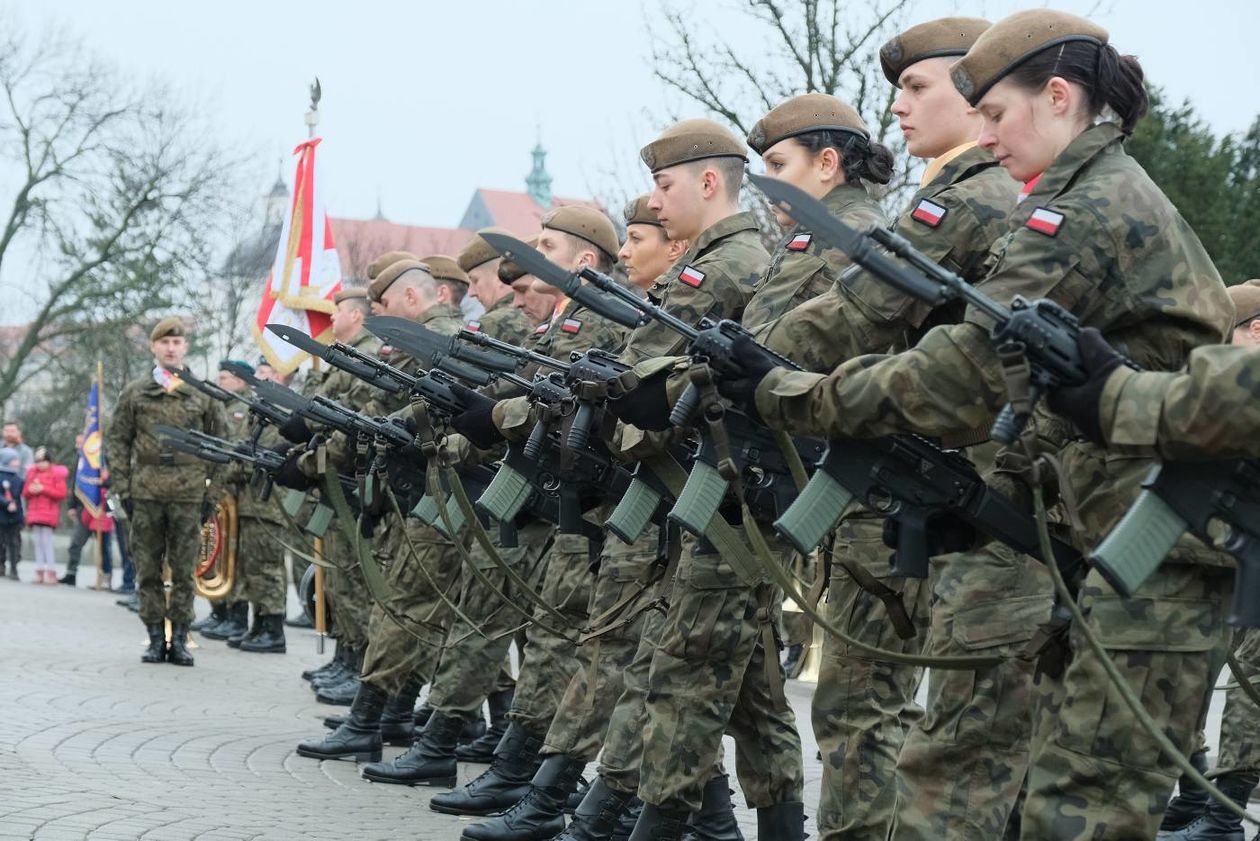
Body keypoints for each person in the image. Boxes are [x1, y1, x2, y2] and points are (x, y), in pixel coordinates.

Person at [737, 10, 1235, 839]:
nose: (989, 133)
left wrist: (790, 394)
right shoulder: (1079, 196)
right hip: (1118, 533)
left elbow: (961, 376)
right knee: (1045, 785)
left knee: (1076, 802)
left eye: (997, 112)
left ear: (1059, 97)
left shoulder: (1085, 212)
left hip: (1158, 545)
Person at [107, 316, 225, 666]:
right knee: (146, 567)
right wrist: (123, 486)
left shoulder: (203, 393)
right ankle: (156, 636)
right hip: (145, 492)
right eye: (165, 343)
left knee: (185, 569)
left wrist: (212, 494)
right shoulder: (136, 392)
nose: (171, 348)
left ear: (185, 347)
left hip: (189, 493)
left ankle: (181, 639)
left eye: (177, 343)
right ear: (154, 348)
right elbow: (117, 440)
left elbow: (221, 446)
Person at [23, 447, 68, 585]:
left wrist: (44, 489)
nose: (40, 464)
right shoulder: (32, 474)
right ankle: (39, 569)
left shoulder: (56, 474)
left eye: (43, 461)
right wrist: (31, 490)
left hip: (48, 512)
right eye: (38, 461)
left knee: (47, 542)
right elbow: (25, 493)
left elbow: (61, 493)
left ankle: (51, 570)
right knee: (37, 542)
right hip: (35, 511)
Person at [0, 447, 24, 580]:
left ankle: (14, 568)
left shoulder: (18, 478)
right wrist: (6, 503)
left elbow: (20, 495)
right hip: (2, 514)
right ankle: (1, 565)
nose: (17, 463)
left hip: (14, 516)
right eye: (14, 460)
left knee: (14, 542)